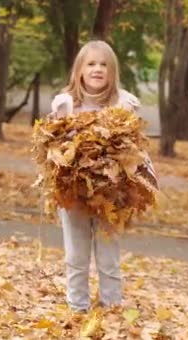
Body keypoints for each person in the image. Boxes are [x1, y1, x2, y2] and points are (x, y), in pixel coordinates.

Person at [49, 40, 157, 312]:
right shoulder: (67, 103)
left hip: (112, 193)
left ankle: (112, 308)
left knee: (108, 255)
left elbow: (134, 148)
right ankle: (77, 308)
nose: (98, 69)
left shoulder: (123, 103)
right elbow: (54, 145)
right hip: (74, 193)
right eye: (91, 64)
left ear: (113, 72)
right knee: (76, 254)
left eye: (104, 65)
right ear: (80, 71)